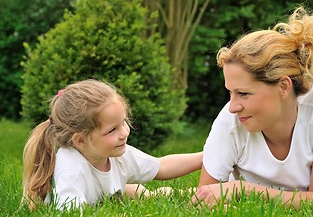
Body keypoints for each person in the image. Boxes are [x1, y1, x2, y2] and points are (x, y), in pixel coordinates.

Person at [192, 6, 313, 209]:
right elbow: (204, 197)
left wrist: (243, 189)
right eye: (230, 93)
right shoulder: (230, 119)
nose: (232, 107)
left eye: (243, 93)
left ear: (283, 87)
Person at [22, 79, 203, 210]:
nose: (124, 133)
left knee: (137, 191)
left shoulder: (115, 154)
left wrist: (207, 156)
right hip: (90, 200)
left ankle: (193, 193)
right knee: (129, 192)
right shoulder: (71, 171)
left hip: (107, 193)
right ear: (80, 140)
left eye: (123, 122)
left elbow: (161, 166)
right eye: (112, 130)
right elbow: (72, 213)